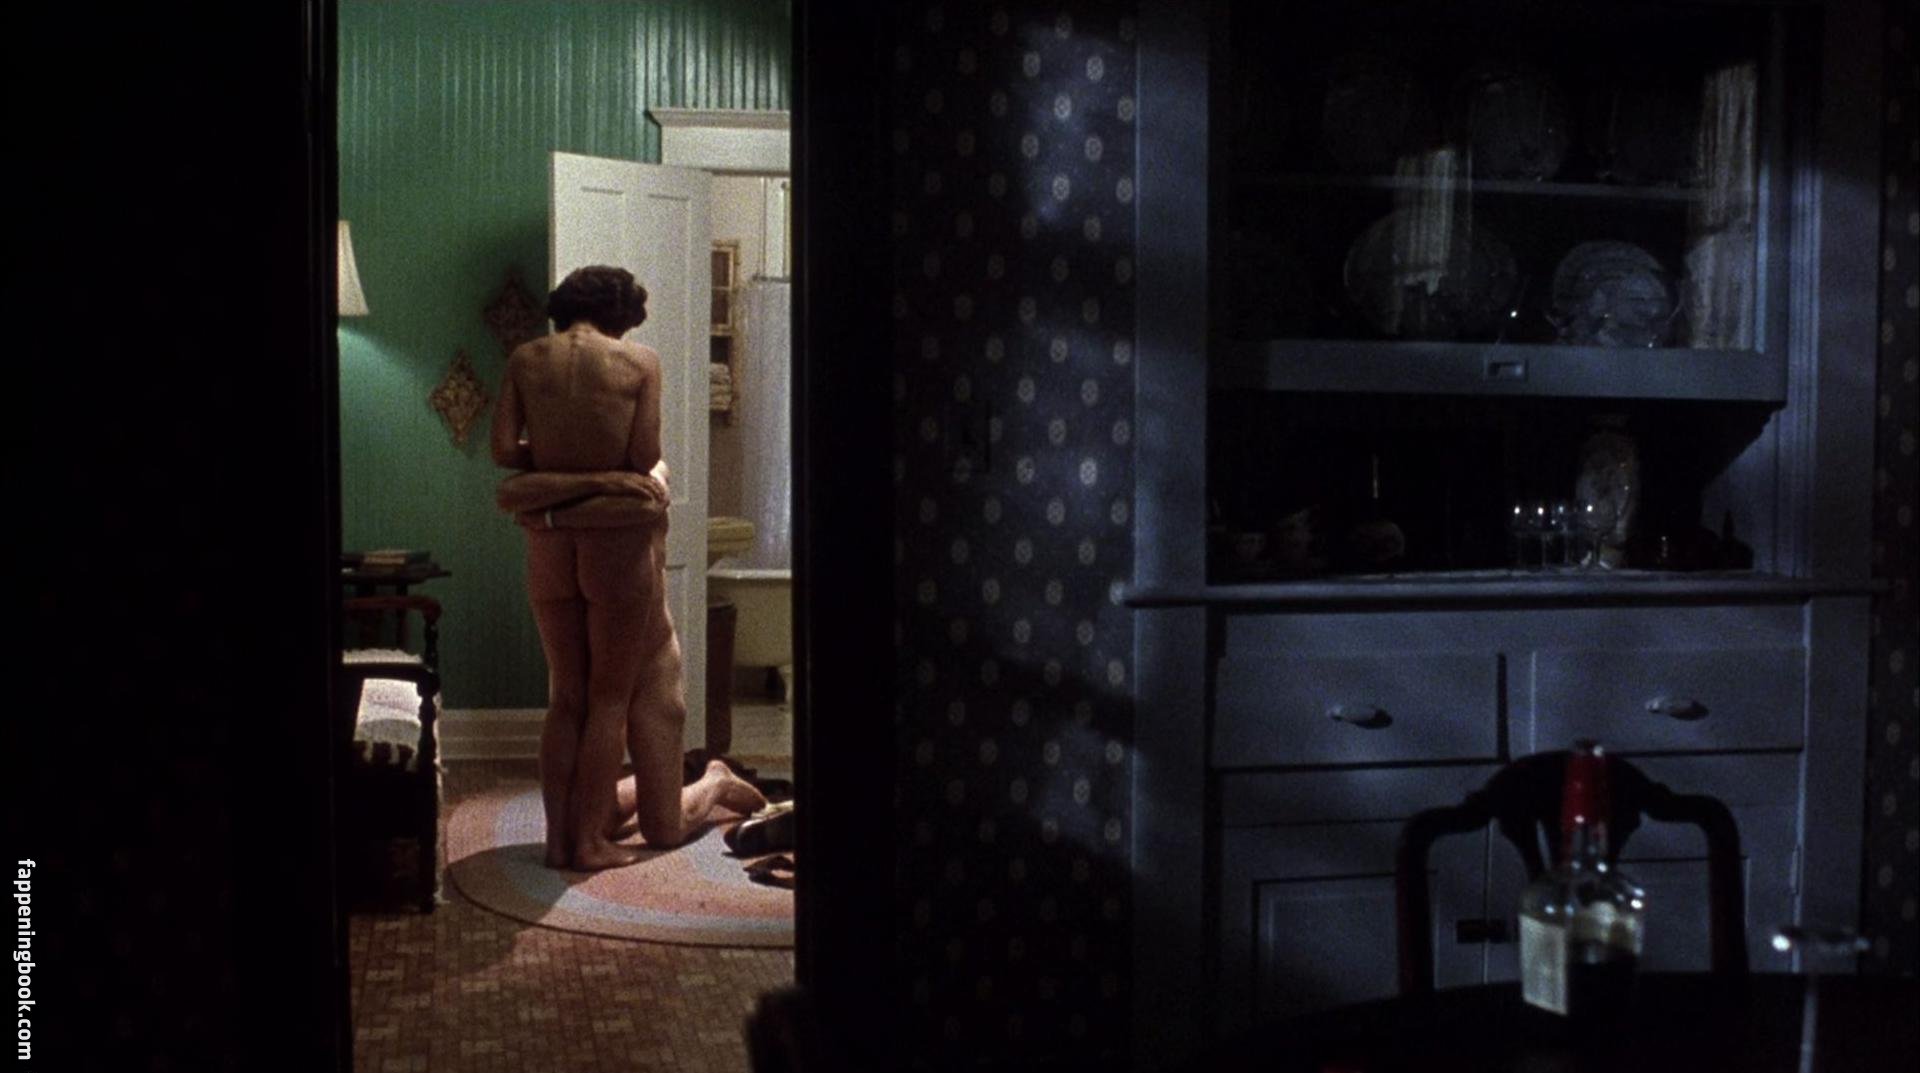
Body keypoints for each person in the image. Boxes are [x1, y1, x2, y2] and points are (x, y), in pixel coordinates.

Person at [490, 265, 765, 870]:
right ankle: (591, 842)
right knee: (609, 697)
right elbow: (643, 459)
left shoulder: (525, 359)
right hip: (615, 547)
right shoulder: (639, 362)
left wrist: (559, 465)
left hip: (551, 541)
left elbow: (505, 450)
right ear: (621, 316)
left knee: (567, 696)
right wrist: (602, 472)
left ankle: (560, 841)